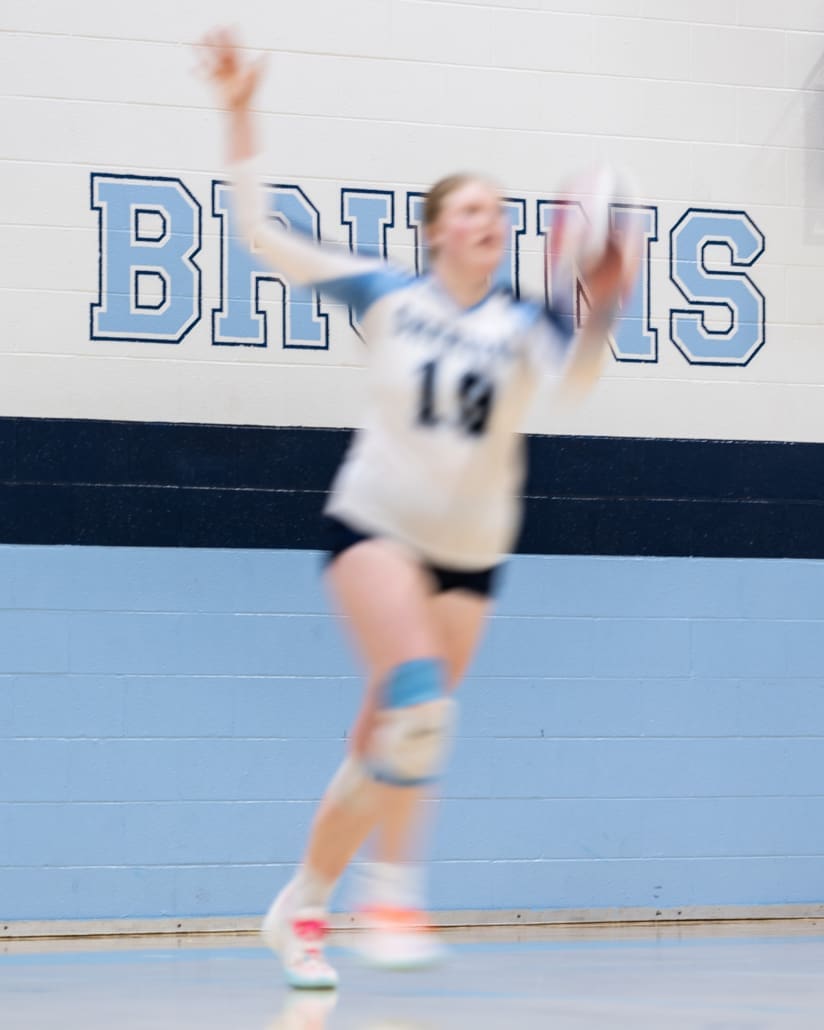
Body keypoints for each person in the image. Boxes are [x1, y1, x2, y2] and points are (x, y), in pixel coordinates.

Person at [199, 28, 636, 991]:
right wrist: (238, 110)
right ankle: (392, 893)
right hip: (376, 529)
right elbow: (263, 233)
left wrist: (603, 301)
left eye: (500, 211)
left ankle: (301, 905)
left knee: (391, 743)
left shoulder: (529, 325)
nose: (492, 220)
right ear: (437, 229)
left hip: (473, 554)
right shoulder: (391, 296)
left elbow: (581, 378)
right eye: (472, 209)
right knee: (419, 707)